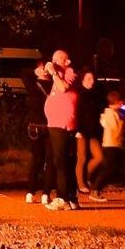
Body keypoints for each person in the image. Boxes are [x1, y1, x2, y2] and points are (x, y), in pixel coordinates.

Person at [39, 50, 80, 211]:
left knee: (61, 163)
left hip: (62, 123)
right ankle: (71, 199)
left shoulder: (70, 73)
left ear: (67, 61)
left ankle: (62, 197)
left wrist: (54, 72)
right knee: (65, 162)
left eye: (58, 59)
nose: (54, 61)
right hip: (55, 123)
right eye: (53, 59)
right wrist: (45, 71)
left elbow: (63, 88)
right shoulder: (57, 75)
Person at [91, 89, 125, 201]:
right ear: (116, 102)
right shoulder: (110, 114)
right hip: (111, 146)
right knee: (107, 169)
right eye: (121, 103)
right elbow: (117, 129)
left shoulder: (117, 113)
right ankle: (95, 190)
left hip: (118, 146)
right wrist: (123, 115)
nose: (123, 105)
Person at [22, 57, 53, 205]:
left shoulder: (55, 84)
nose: (45, 70)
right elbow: (23, 73)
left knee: (50, 161)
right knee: (37, 160)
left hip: (51, 125)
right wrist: (35, 71)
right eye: (43, 67)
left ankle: (46, 193)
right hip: (35, 126)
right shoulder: (33, 84)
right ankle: (30, 191)